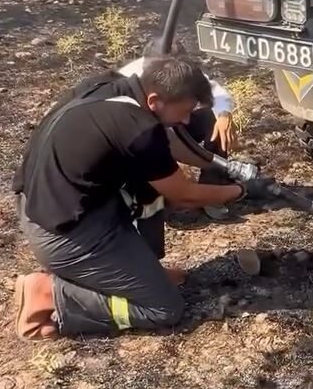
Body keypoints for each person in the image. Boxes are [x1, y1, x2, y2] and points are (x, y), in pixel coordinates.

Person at [13, 56, 250, 341]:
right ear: (154, 101)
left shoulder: (107, 86)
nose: (187, 120)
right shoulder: (139, 128)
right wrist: (237, 191)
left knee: (145, 186)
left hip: (44, 204)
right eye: (185, 111)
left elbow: (168, 148)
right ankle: (50, 294)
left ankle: (141, 273)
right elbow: (183, 196)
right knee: (164, 309)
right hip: (65, 234)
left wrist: (217, 165)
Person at [120, 37, 236, 221]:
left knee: (211, 118)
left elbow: (216, 93)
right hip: (141, 138)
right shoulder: (126, 80)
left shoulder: (183, 73)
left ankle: (212, 189)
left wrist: (223, 115)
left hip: (173, 127)